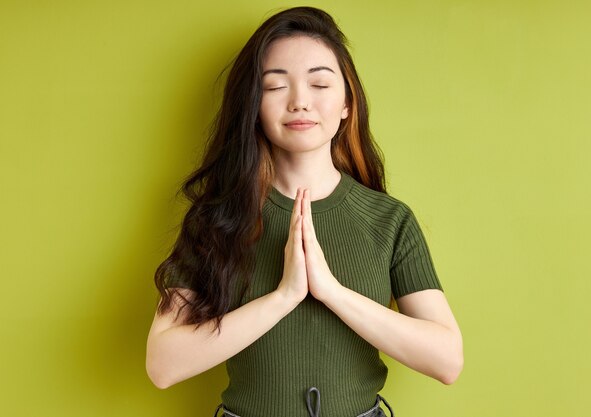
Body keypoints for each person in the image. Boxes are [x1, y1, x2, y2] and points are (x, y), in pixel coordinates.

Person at [146, 6, 463, 417]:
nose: (300, 102)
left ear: (347, 103)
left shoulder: (389, 220)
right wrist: (284, 296)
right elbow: (162, 364)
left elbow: (446, 360)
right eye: (276, 86)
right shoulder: (216, 219)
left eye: (319, 83)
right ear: (254, 106)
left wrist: (330, 291)